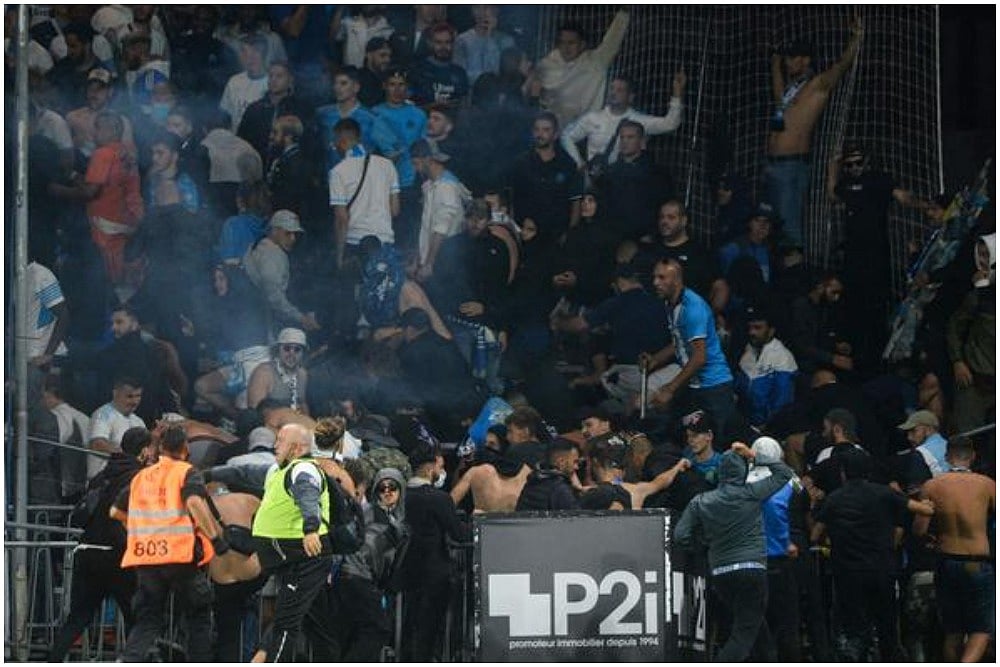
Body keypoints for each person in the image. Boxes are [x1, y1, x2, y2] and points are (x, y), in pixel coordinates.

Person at [674, 441, 796, 662]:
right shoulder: (752, 492)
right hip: (753, 572)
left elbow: (680, 536)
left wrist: (702, 546)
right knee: (743, 636)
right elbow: (784, 473)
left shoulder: (700, 501)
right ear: (743, 471)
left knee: (756, 631)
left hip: (721, 575)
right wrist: (753, 455)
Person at [111, 424, 223, 663]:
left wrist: (139, 531)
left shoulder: (141, 476)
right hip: (179, 558)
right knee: (198, 615)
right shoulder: (186, 471)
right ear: (185, 448)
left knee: (148, 619)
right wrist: (215, 537)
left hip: (147, 559)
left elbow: (115, 512)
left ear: (160, 447)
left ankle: (128, 660)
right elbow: (194, 504)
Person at [48, 426, 151, 662]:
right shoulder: (139, 478)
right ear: (144, 451)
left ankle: (52, 661)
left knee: (78, 618)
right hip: (118, 558)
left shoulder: (102, 475)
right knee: (137, 621)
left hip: (88, 552)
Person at [810, 448, 919, 661]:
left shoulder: (834, 499)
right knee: (887, 628)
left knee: (856, 631)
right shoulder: (884, 493)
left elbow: (815, 534)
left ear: (843, 473)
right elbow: (918, 508)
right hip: (882, 570)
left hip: (849, 574)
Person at [825, 143, 928, 366]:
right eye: (849, 164)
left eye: (858, 163)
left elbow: (903, 197)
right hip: (852, 255)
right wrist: (832, 170)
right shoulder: (846, 184)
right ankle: (857, 355)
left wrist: (926, 206)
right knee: (853, 304)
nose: (854, 168)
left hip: (876, 254)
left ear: (867, 161)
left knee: (876, 304)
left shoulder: (879, 179)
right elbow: (833, 196)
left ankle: (877, 356)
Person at [764, 18, 862, 248]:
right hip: (773, 165)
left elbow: (840, 68)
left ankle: (795, 278)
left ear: (805, 60)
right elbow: (779, 97)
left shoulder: (816, 85)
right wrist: (774, 62)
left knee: (789, 230)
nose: (788, 63)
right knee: (771, 229)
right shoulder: (790, 90)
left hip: (791, 166)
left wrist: (855, 40)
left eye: (791, 58)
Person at [250, 423, 335, 662]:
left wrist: (310, 529)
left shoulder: (303, 469)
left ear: (297, 448)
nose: (275, 445)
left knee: (286, 623)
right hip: (294, 560)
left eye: (281, 440)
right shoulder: (281, 470)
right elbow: (246, 473)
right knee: (319, 625)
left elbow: (308, 495)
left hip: (306, 558)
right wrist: (213, 474)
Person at [914, 437, 995, 663]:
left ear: (947, 457)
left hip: (946, 561)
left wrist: (931, 537)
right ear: (973, 456)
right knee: (981, 630)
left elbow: (919, 530)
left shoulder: (932, 486)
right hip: (977, 561)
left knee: (953, 631)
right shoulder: (987, 484)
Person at [644, 258, 737, 442]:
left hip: (714, 386)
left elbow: (699, 357)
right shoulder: (670, 303)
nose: (656, 283)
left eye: (662, 278)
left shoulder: (693, 308)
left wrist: (671, 388)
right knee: (685, 434)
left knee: (717, 440)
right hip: (695, 384)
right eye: (655, 277)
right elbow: (681, 341)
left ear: (676, 280)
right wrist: (655, 360)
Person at [399, 443, 466, 662]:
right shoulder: (438, 498)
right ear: (430, 469)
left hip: (405, 572)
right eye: (440, 466)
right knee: (429, 629)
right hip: (434, 574)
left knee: (408, 625)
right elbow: (459, 534)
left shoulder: (401, 496)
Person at [334, 467, 409, 661]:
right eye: (382, 488)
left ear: (401, 489)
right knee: (377, 628)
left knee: (355, 632)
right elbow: (372, 554)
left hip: (352, 578)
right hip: (357, 577)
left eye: (392, 487)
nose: (387, 492)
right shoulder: (376, 516)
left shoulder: (391, 519)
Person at [561, 72, 685, 177]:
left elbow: (670, 124)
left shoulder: (638, 120)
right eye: (612, 88)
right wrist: (578, 162)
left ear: (630, 97)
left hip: (623, 179)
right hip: (594, 180)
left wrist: (677, 94)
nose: (613, 93)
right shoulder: (593, 117)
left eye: (619, 90)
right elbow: (566, 136)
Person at [531, 10, 630, 127]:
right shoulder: (546, 65)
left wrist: (624, 13)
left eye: (571, 43)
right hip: (551, 130)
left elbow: (613, 40)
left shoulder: (595, 62)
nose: (566, 47)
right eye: (562, 42)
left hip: (584, 130)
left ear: (582, 44)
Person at [329, 117, 401, 270]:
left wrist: (339, 257)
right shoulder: (387, 165)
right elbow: (395, 210)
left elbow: (342, 218)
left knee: (357, 291)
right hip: (385, 241)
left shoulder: (338, 172)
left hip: (355, 243)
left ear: (340, 142)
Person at [504, 111, 584, 246]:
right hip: (525, 234)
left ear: (556, 134)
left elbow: (575, 201)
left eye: (546, 130)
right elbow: (511, 197)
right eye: (537, 129)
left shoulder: (567, 165)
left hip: (555, 235)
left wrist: (570, 234)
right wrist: (514, 230)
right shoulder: (520, 163)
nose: (540, 134)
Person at [243, 209, 320, 333]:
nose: (293, 238)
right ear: (274, 231)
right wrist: (301, 318)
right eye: (288, 233)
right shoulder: (272, 255)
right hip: (262, 320)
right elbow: (274, 297)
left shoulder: (259, 245)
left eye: (295, 234)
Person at [410, 138, 471, 281]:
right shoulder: (430, 186)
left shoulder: (446, 188)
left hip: (445, 258)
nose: (414, 168)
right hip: (434, 259)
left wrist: (429, 264)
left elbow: (441, 229)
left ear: (427, 159)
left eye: (416, 163)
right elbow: (426, 228)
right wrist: (418, 259)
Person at [588, 431, 691, 509]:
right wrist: (678, 466)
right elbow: (661, 482)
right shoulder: (637, 490)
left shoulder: (594, 494)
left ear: (595, 462)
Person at [734, 305, 798, 429]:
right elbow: (738, 389)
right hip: (745, 424)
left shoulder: (783, 357)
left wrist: (768, 426)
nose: (752, 332)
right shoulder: (747, 353)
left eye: (758, 328)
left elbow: (782, 401)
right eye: (750, 328)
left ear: (771, 330)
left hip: (769, 428)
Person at [238, 60, 313, 164]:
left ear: (290, 79)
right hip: (257, 170)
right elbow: (242, 142)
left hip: (289, 170)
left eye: (279, 76)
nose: (273, 80)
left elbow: (310, 144)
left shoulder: (301, 109)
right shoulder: (254, 109)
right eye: (271, 76)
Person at [87, 375, 146, 481]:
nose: (135, 402)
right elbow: (96, 444)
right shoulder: (103, 415)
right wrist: (127, 457)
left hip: (129, 481)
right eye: (129, 396)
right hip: (104, 482)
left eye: (138, 396)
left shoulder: (139, 421)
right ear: (115, 394)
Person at [246, 328, 311, 415]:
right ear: (277, 350)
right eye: (287, 348)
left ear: (302, 353)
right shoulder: (264, 373)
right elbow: (255, 414)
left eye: (297, 349)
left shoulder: (302, 374)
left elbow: (302, 404)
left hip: (294, 423)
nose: (291, 354)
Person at [409, 22, 469, 106]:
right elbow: (410, 104)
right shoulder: (417, 71)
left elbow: (464, 103)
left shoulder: (460, 73)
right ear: (430, 43)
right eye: (438, 42)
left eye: (447, 42)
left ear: (453, 44)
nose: (443, 47)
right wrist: (433, 106)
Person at [453, 5, 515, 85]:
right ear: (474, 10)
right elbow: (460, 75)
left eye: (491, 8)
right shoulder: (462, 41)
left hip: (497, 93)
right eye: (483, 7)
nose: (487, 13)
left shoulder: (507, 41)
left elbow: (508, 75)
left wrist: (489, 38)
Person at [515, 437, 582, 510]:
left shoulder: (532, 481)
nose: (576, 467)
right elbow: (577, 519)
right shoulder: (560, 490)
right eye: (575, 462)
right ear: (561, 462)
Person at [219, 35, 269, 132]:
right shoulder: (234, 81)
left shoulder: (272, 83)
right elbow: (225, 114)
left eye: (255, 52)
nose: (250, 57)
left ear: (264, 54)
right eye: (244, 52)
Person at [896, 409, 949, 477]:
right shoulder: (948, 445)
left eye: (914, 431)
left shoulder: (921, 452)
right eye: (908, 433)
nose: (909, 437)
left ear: (929, 429)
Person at [682, 410, 724, 487]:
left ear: (709, 436)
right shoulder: (684, 460)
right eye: (688, 436)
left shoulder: (722, 464)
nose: (690, 440)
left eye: (695, 436)